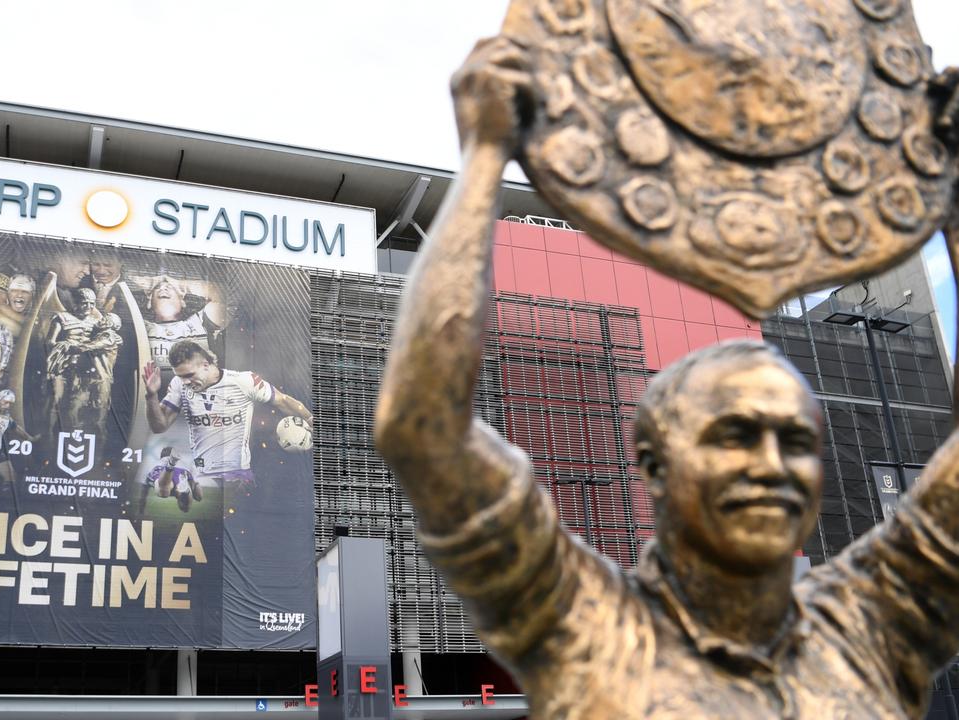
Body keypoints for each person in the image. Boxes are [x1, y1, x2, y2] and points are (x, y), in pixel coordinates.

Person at [374, 37, 959, 718]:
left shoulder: (871, 627)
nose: (770, 464)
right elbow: (422, 430)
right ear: (652, 465)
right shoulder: (587, 629)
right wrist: (482, 157)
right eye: (733, 435)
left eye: (795, 441)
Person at [143, 340, 311, 487]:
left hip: (238, 477)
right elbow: (159, 426)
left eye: (189, 375)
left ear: (205, 365)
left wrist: (310, 419)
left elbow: (283, 400)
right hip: (203, 476)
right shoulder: (179, 385)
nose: (185, 382)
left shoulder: (243, 381)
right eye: (180, 377)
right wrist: (151, 395)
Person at [45, 287, 123, 433]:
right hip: (62, 367)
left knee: (77, 405)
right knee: (56, 400)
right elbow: (49, 342)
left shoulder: (96, 322)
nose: (89, 307)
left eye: (92, 303)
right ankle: (47, 436)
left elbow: (107, 337)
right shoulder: (61, 318)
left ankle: (73, 436)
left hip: (84, 371)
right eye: (84, 303)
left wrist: (114, 338)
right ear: (76, 303)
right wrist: (65, 345)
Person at [141, 446, 202, 513]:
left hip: (163, 473)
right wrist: (194, 487)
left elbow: (144, 488)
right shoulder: (183, 464)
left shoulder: (156, 463)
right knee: (187, 507)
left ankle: (170, 466)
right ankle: (185, 490)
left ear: (161, 456)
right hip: (182, 471)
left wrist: (141, 507)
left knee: (163, 492)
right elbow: (192, 483)